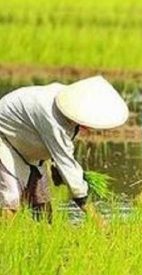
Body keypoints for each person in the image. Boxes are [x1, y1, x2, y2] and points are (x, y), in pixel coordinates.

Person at [0, 76, 129, 222]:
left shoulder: (70, 105)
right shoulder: (52, 117)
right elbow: (66, 162)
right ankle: (4, 237)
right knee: (11, 198)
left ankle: (44, 238)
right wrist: (95, 217)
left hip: (27, 146)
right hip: (4, 140)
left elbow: (61, 151)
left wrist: (56, 166)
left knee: (42, 202)